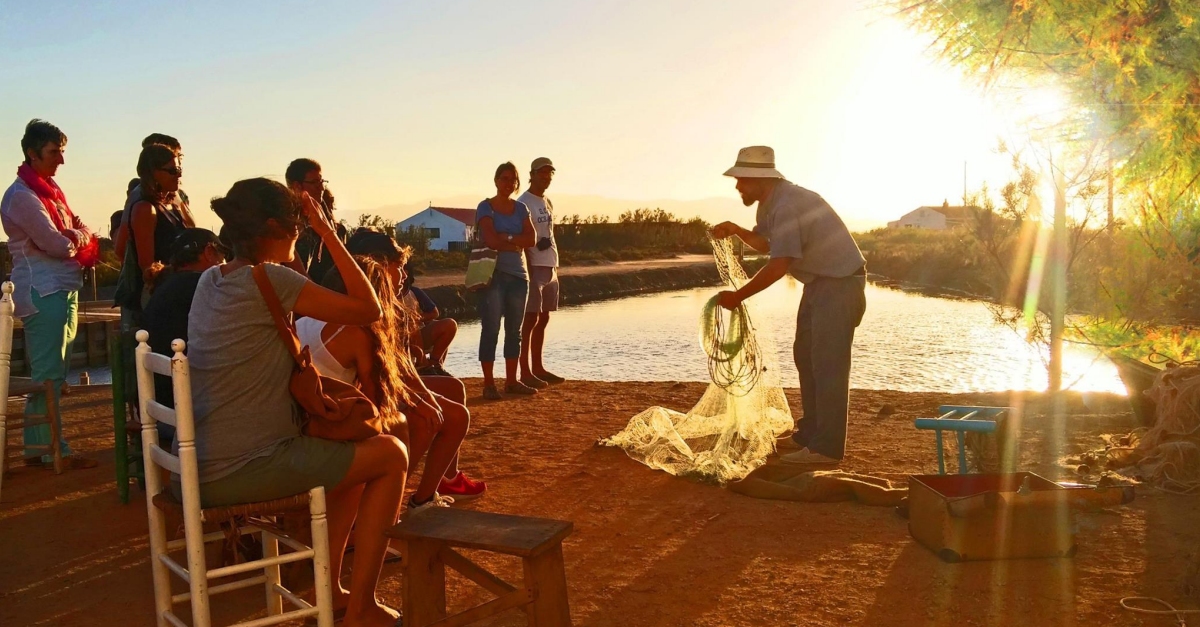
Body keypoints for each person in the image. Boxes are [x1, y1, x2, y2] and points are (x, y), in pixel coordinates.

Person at [186, 177, 407, 626]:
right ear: (271, 226)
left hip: (199, 464)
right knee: (392, 454)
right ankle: (361, 607)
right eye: (296, 225)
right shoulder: (270, 278)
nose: (300, 232)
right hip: (243, 466)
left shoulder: (211, 280)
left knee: (351, 462)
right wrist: (328, 232)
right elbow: (370, 310)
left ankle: (333, 589)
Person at [712, 146, 867, 465]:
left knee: (828, 366)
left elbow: (779, 264)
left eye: (741, 179)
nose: (737, 186)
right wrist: (737, 230)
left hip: (840, 284)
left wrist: (738, 296)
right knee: (806, 357)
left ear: (760, 179)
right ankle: (809, 435)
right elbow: (768, 244)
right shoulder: (770, 204)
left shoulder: (786, 204)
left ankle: (826, 450)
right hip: (820, 284)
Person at [304, 252, 484, 508]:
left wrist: (422, 398)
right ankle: (383, 503)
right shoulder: (355, 330)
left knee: (437, 410)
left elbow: (395, 374)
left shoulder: (309, 320)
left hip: (313, 418)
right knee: (418, 420)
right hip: (329, 424)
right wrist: (419, 403)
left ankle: (410, 500)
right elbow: (380, 399)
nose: (401, 277)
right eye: (397, 270)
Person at [0, 119, 99, 469]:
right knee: (47, 375)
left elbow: (75, 230)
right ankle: (46, 451)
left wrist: (76, 235)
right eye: (54, 152)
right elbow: (56, 243)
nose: (61, 159)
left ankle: (48, 447)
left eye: (62, 151)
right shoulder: (22, 197)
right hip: (42, 290)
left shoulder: (49, 192)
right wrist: (79, 236)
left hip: (63, 289)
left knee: (55, 375)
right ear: (32, 152)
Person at [140, 228, 226, 442]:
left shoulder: (164, 287)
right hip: (186, 413)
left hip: (158, 407)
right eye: (222, 255)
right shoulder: (205, 286)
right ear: (209, 252)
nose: (225, 262)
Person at [475, 162, 537, 400]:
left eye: (512, 179)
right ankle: (489, 384)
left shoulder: (521, 209)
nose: (508, 183)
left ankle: (511, 381)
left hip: (519, 276)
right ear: (496, 180)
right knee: (490, 329)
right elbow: (491, 239)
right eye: (504, 178)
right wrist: (515, 242)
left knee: (514, 331)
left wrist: (508, 238)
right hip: (493, 276)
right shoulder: (485, 207)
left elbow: (531, 239)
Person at [113, 143, 194, 312]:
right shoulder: (145, 208)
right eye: (172, 171)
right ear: (153, 173)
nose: (178, 176)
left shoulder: (174, 204)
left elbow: (193, 231)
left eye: (180, 170)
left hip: (179, 286)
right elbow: (148, 266)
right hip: (162, 293)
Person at [517, 157, 565, 388]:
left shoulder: (547, 202)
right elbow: (522, 238)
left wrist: (554, 264)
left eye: (549, 173)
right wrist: (527, 266)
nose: (546, 177)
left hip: (550, 265)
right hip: (533, 266)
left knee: (544, 317)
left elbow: (549, 233)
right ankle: (524, 371)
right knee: (529, 319)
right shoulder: (523, 203)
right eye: (542, 173)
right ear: (532, 174)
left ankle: (538, 367)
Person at [286, 158, 348, 283]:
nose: (321, 188)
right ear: (297, 186)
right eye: (315, 182)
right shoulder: (288, 224)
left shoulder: (329, 221)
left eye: (321, 182)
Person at [401, 261, 456, 374]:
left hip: (418, 334)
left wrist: (418, 317)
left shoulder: (414, 292)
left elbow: (434, 313)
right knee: (410, 325)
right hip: (397, 337)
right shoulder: (383, 294)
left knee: (449, 325)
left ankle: (434, 364)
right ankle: (423, 365)